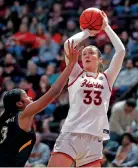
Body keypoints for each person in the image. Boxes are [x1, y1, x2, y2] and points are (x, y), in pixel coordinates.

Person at [0, 40, 80, 167]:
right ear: (19, 104)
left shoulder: (1, 124)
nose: (30, 98)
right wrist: (71, 65)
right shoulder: (23, 114)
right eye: (26, 96)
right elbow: (54, 91)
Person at [48, 11, 126, 167]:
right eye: (84, 53)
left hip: (95, 138)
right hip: (72, 134)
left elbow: (121, 51)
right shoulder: (76, 73)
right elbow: (67, 44)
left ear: (99, 59)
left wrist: (106, 27)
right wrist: (87, 32)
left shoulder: (107, 77)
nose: (86, 55)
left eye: (91, 52)